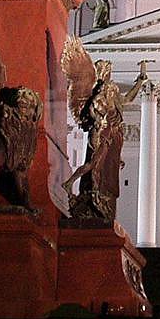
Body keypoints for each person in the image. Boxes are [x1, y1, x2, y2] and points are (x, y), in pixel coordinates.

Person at [61, 38, 148, 220]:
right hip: (103, 133)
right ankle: (73, 185)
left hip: (113, 135)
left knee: (106, 167)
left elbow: (126, 100)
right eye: (106, 70)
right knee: (95, 164)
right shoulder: (101, 91)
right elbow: (93, 109)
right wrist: (100, 121)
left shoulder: (112, 90)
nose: (108, 73)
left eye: (108, 70)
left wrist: (139, 82)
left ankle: (98, 194)